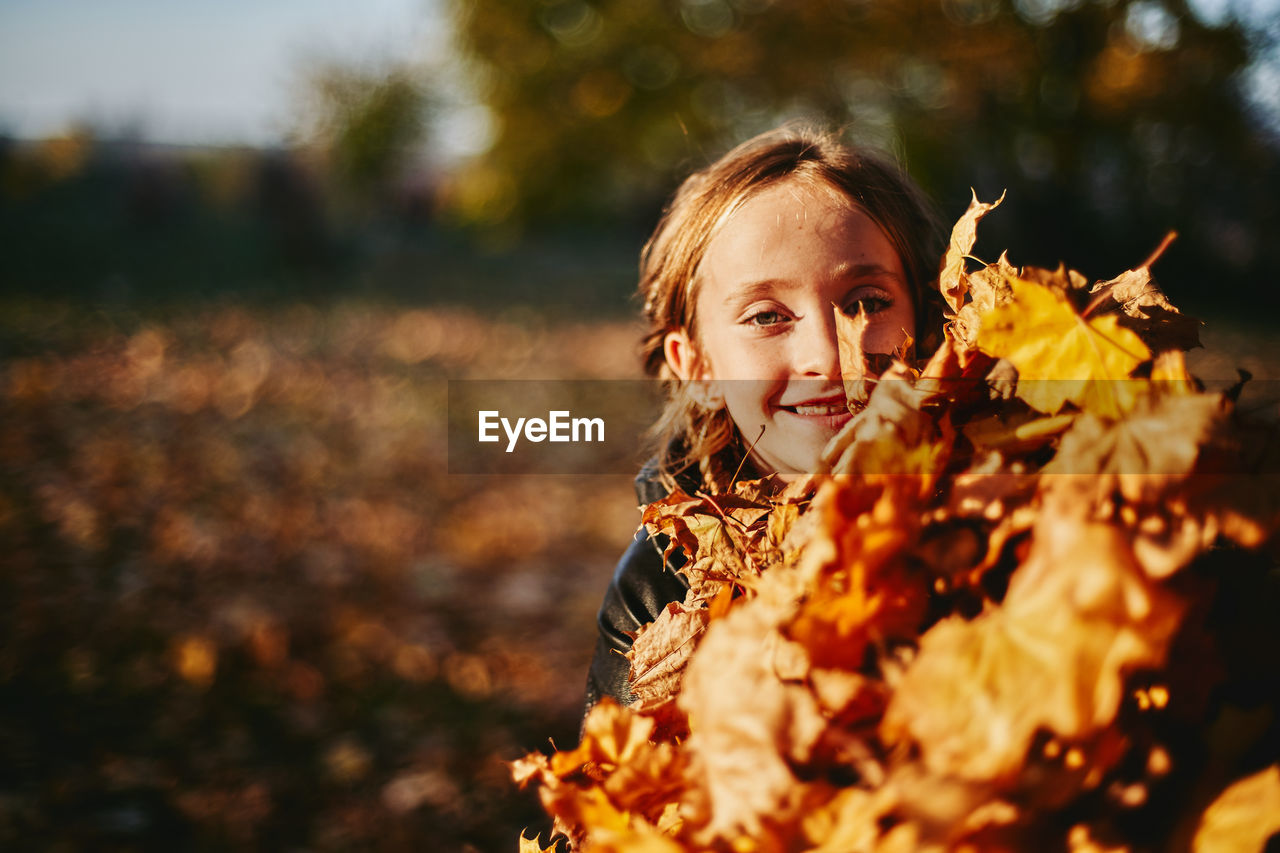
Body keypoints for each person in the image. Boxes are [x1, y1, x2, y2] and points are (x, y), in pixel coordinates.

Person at [583, 124, 945, 714]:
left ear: (928, 318)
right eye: (766, 317)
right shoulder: (659, 587)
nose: (828, 358)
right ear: (698, 365)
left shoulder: (1020, 504)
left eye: (868, 303)